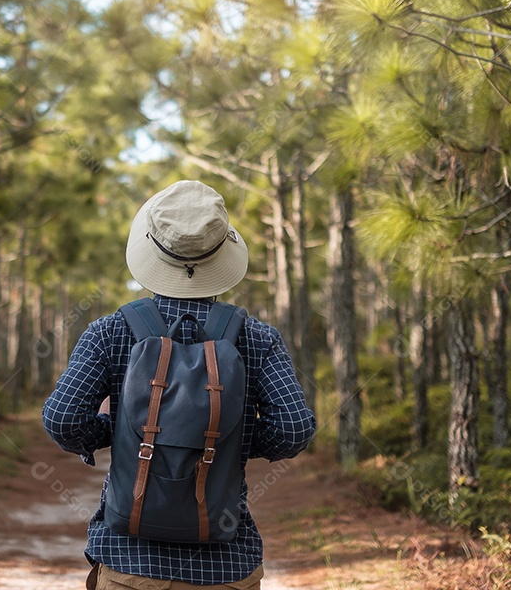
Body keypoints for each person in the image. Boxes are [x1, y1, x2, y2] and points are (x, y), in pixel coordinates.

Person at [43, 179, 317, 590]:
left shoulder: (111, 331)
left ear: (151, 250)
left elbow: (63, 419)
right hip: (226, 567)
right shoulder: (257, 338)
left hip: (129, 563)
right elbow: (294, 428)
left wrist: (116, 431)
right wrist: (233, 437)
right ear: (223, 253)